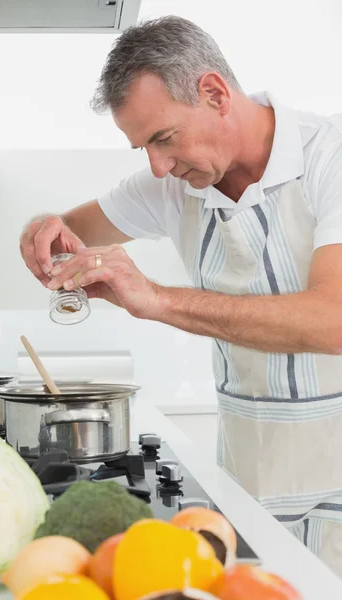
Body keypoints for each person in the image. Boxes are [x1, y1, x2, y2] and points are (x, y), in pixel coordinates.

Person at [20, 16, 342, 575]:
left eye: (163, 138)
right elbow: (68, 229)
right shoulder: (174, 184)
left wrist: (159, 300)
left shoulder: (328, 157)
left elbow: (334, 319)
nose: (158, 165)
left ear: (215, 93)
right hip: (248, 484)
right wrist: (41, 228)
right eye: (143, 147)